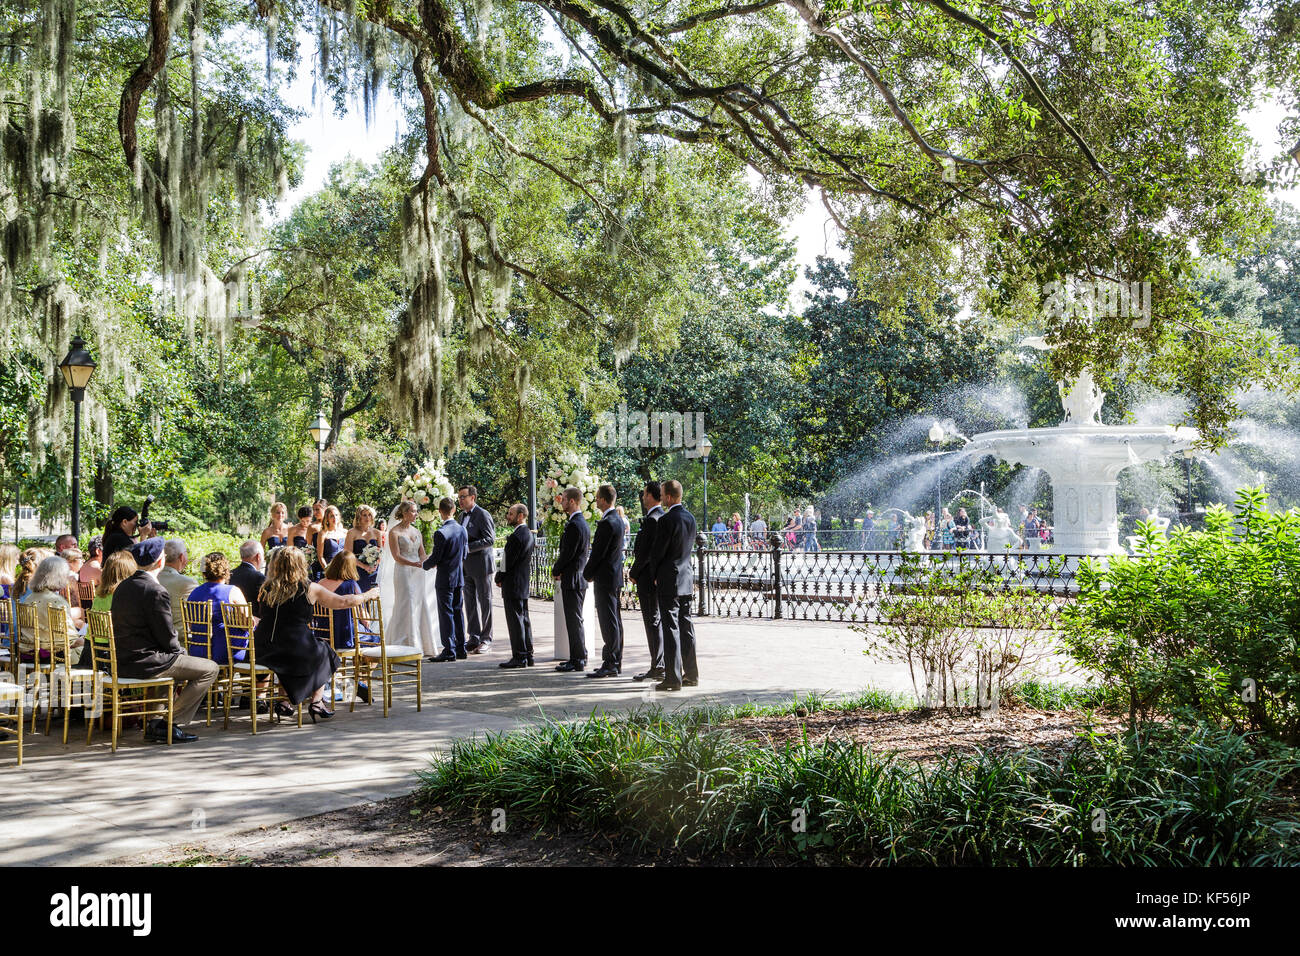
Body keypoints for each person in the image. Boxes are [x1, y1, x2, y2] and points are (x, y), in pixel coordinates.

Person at [111, 538, 219, 742]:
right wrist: (180, 651)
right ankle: (170, 722)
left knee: (174, 661)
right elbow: (168, 637)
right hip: (147, 662)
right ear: (160, 561)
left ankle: (155, 723)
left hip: (124, 661)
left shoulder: (123, 586)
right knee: (210, 668)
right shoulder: (155, 590)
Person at [254, 546, 370, 721]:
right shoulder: (309, 588)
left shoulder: (267, 587)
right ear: (301, 565)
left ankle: (284, 702)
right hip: (294, 646)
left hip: (263, 648)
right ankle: (317, 702)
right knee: (325, 651)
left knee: (294, 654)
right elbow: (343, 602)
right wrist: (368, 595)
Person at [649, 479, 698, 692]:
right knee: (686, 626)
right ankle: (692, 674)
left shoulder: (666, 520)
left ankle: (673, 677)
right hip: (686, 577)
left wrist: (654, 574)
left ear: (669, 497)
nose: (661, 497)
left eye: (661, 494)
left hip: (669, 578)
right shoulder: (690, 518)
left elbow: (658, 552)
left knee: (670, 628)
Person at [386, 500, 440, 658]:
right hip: (403, 571)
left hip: (417, 573)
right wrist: (414, 564)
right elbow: (397, 556)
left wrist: (428, 563)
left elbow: (422, 553)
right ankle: (405, 643)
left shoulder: (417, 531)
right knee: (407, 603)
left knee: (419, 603)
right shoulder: (394, 532)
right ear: (404, 513)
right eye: (413, 511)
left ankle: (423, 643)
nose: (416, 514)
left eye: (416, 511)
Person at [584, 484, 626, 679]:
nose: (596, 501)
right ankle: (615, 660)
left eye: (597, 498)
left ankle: (610, 662)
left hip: (605, 577)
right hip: (614, 576)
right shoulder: (617, 519)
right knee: (615, 620)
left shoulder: (608, 522)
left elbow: (598, 553)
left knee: (608, 621)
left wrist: (587, 573)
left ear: (602, 499)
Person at [18, 555, 87, 666]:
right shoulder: (56, 601)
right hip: (54, 655)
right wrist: (85, 640)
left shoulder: (29, 598)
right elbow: (70, 640)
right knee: (92, 651)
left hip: (29, 652)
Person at [628, 481, 665, 683]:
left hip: (648, 578)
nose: (642, 498)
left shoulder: (653, 520)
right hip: (653, 577)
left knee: (652, 621)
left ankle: (657, 665)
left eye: (644, 494)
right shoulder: (659, 517)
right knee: (655, 621)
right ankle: (659, 663)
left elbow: (647, 553)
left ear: (651, 495)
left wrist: (634, 572)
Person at [551, 486, 591, 673]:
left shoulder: (575, 524)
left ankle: (578, 659)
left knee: (574, 621)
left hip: (574, 578)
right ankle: (580, 654)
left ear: (573, 501)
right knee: (575, 620)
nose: (562, 502)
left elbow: (568, 553)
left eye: (565, 499)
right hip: (577, 577)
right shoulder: (580, 522)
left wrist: (556, 569)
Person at [184, 552, 248, 665]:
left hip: (197, 651)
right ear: (226, 569)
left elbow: (191, 626)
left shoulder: (194, 593)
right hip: (225, 651)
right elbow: (246, 624)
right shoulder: (233, 591)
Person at [424, 497, 469, 661]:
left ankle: (449, 650)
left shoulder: (440, 533)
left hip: (444, 578)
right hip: (458, 577)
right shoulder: (462, 530)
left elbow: (436, 557)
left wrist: (424, 565)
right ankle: (461, 648)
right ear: (454, 510)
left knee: (446, 614)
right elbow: (465, 553)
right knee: (458, 612)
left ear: (439, 512)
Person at [494, 504, 535, 668]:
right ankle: (528, 654)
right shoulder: (528, 534)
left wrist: (499, 576)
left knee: (515, 621)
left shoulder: (517, 536)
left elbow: (507, 561)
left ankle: (519, 656)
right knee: (524, 619)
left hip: (513, 583)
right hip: (522, 583)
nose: (507, 516)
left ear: (520, 516)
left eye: (511, 514)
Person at [457, 485, 495, 655]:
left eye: (463, 497)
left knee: (485, 602)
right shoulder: (460, 516)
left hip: (481, 566)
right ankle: (473, 637)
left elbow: (489, 539)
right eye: (459, 497)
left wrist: (466, 548)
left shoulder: (483, 514)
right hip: (465, 567)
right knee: (470, 603)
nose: (460, 500)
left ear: (472, 497)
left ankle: (486, 639)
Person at [157, 539, 197, 639]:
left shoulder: (152, 579)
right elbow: (197, 616)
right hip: (181, 641)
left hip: (155, 639)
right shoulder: (188, 583)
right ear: (182, 557)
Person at [345, 505, 381, 592]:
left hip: (374, 571)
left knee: (374, 599)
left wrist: (375, 564)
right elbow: (348, 554)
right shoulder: (351, 532)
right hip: (358, 570)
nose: (367, 517)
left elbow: (380, 551)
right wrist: (364, 566)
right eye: (364, 515)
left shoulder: (377, 532)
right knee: (360, 598)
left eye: (369, 515)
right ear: (358, 517)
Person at [315, 506, 346, 582]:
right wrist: (327, 570)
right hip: (329, 570)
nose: (334, 518)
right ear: (327, 519)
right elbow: (320, 556)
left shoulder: (345, 532)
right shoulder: (323, 533)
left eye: (336, 515)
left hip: (344, 570)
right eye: (331, 516)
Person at [229, 541, 266, 606]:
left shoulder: (230, 574)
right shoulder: (259, 578)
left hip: (232, 615)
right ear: (258, 556)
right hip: (253, 615)